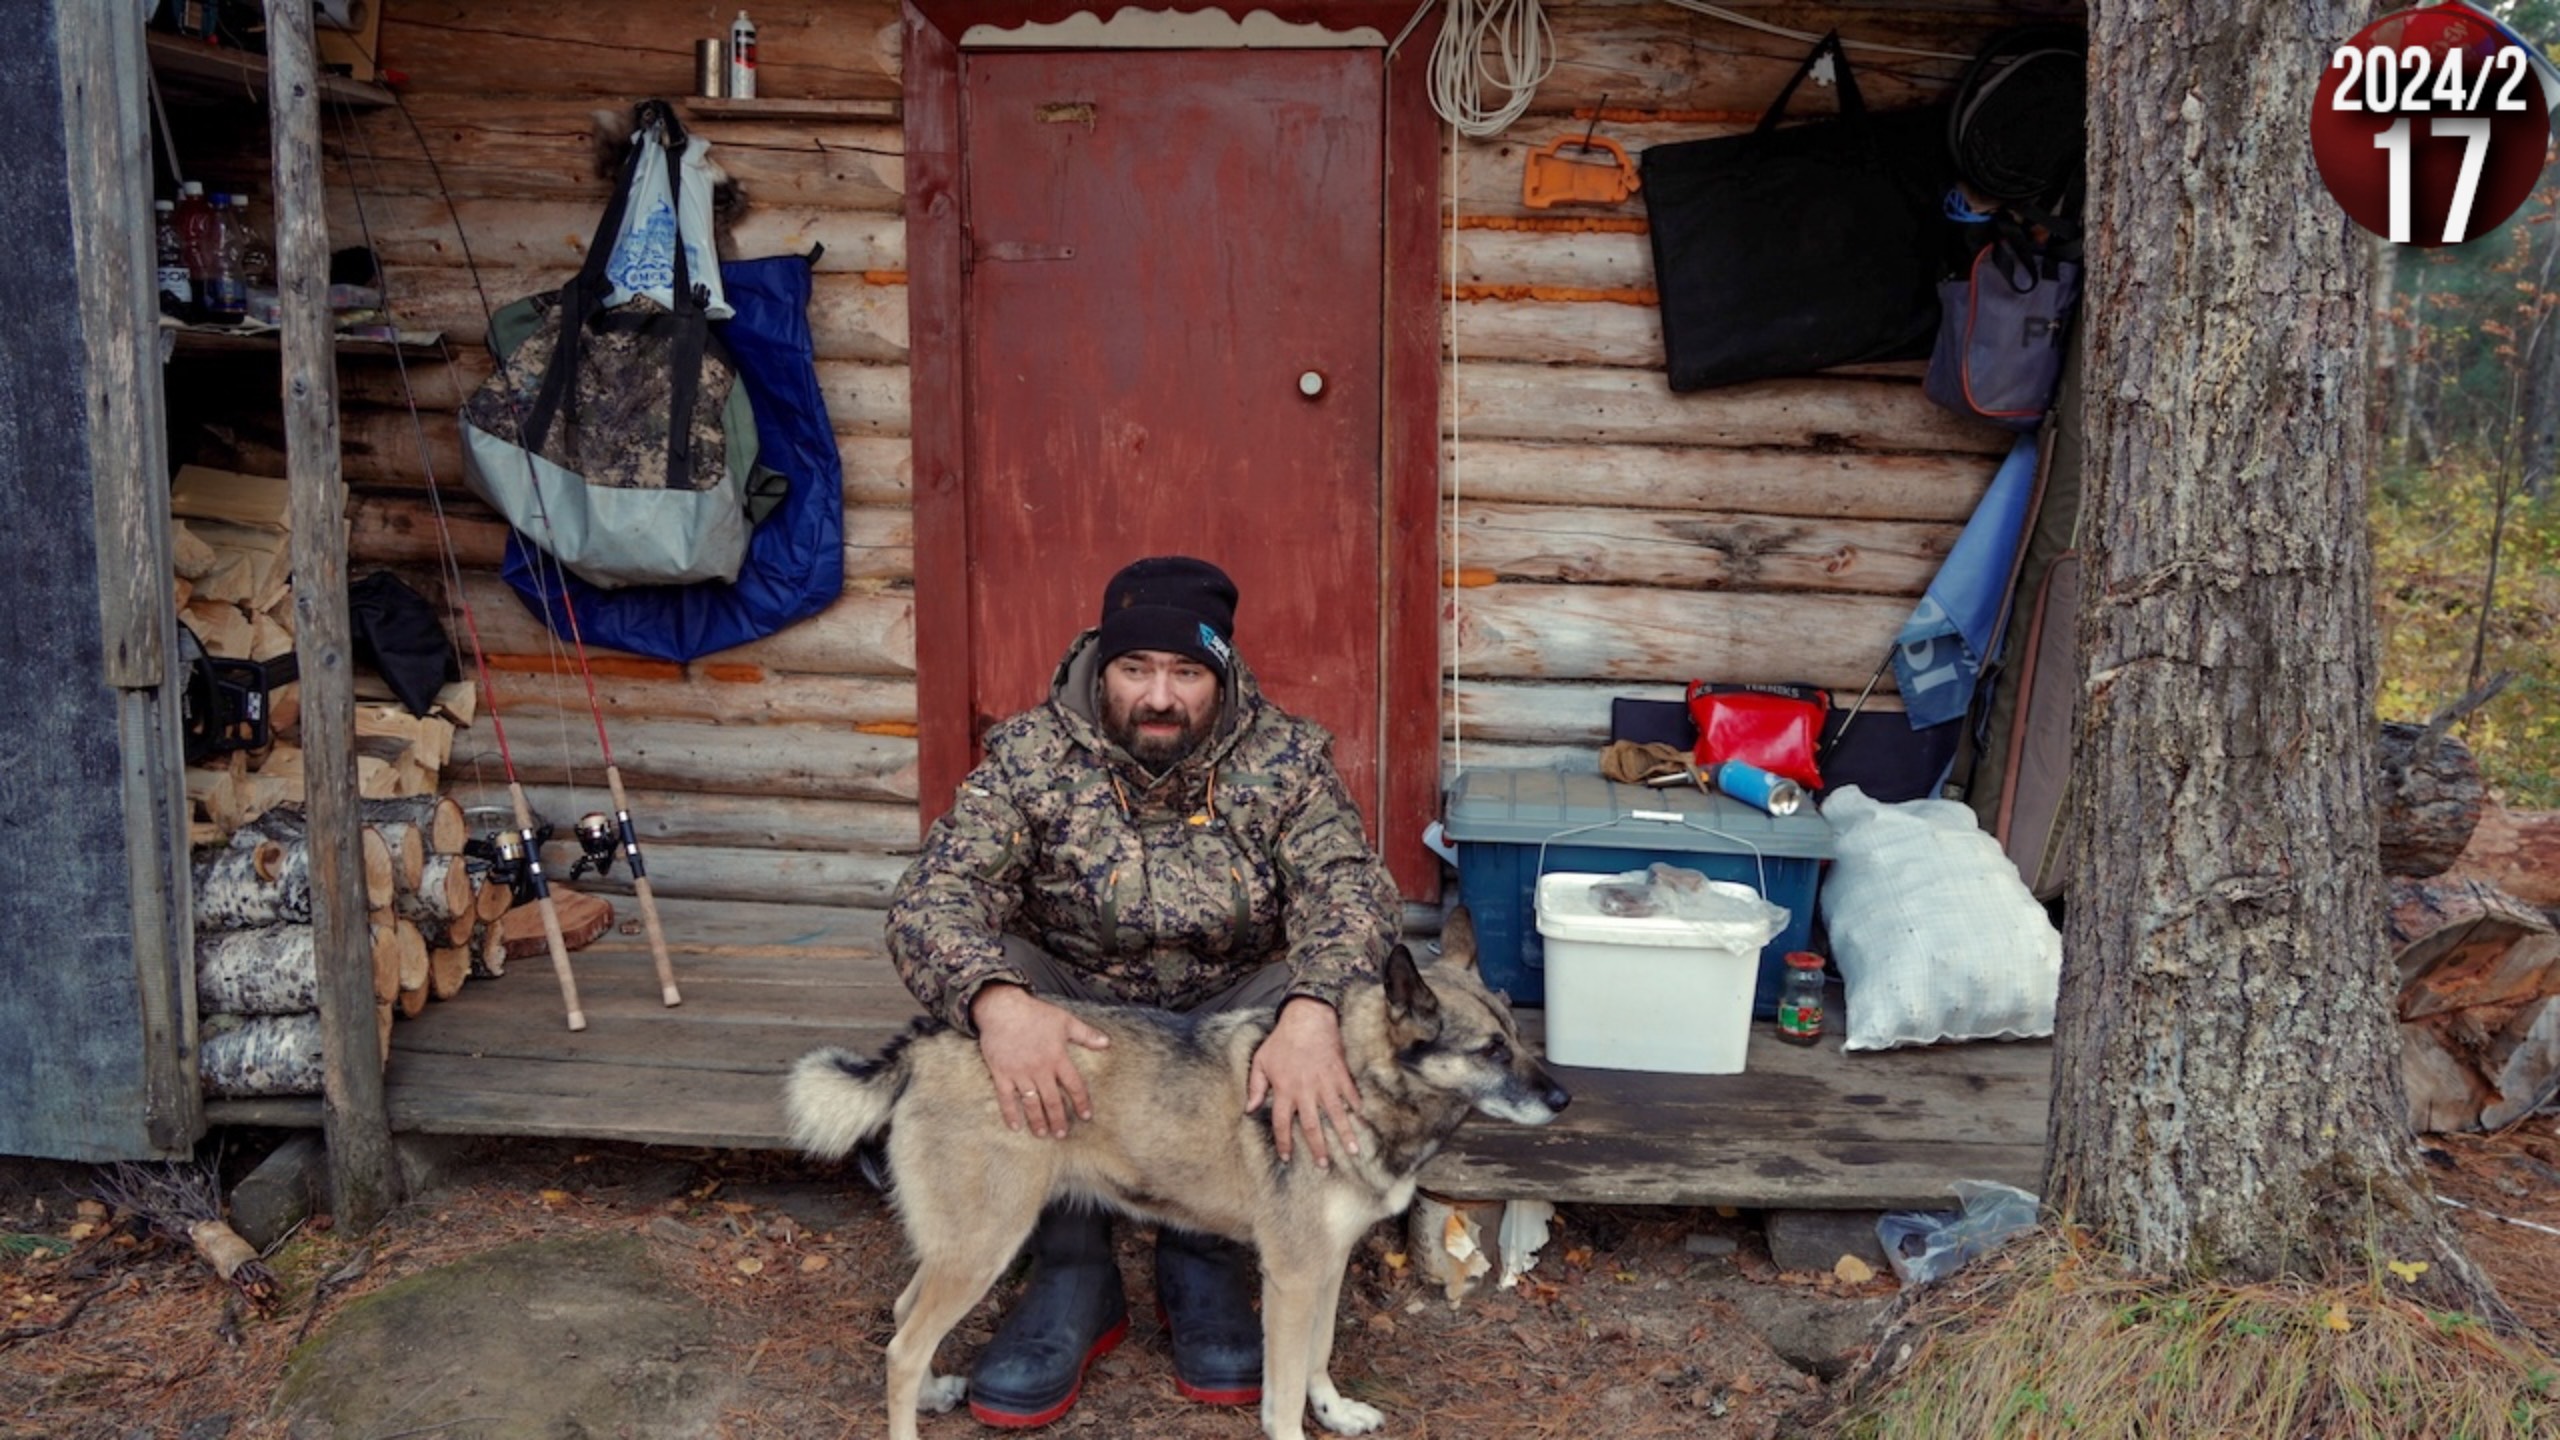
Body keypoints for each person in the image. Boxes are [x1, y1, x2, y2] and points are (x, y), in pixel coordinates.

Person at [886, 554, 1402, 1427]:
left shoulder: (1286, 761)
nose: (1159, 696)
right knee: (999, 967)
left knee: (1321, 992)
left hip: (1229, 1015)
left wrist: (1314, 1010)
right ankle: (1072, 1272)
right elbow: (932, 897)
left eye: (1186, 673)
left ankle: (1203, 1260)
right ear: (1103, 665)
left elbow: (1353, 892)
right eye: (1137, 669)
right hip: (1074, 1014)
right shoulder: (1031, 756)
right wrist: (997, 1003)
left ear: (1220, 674)